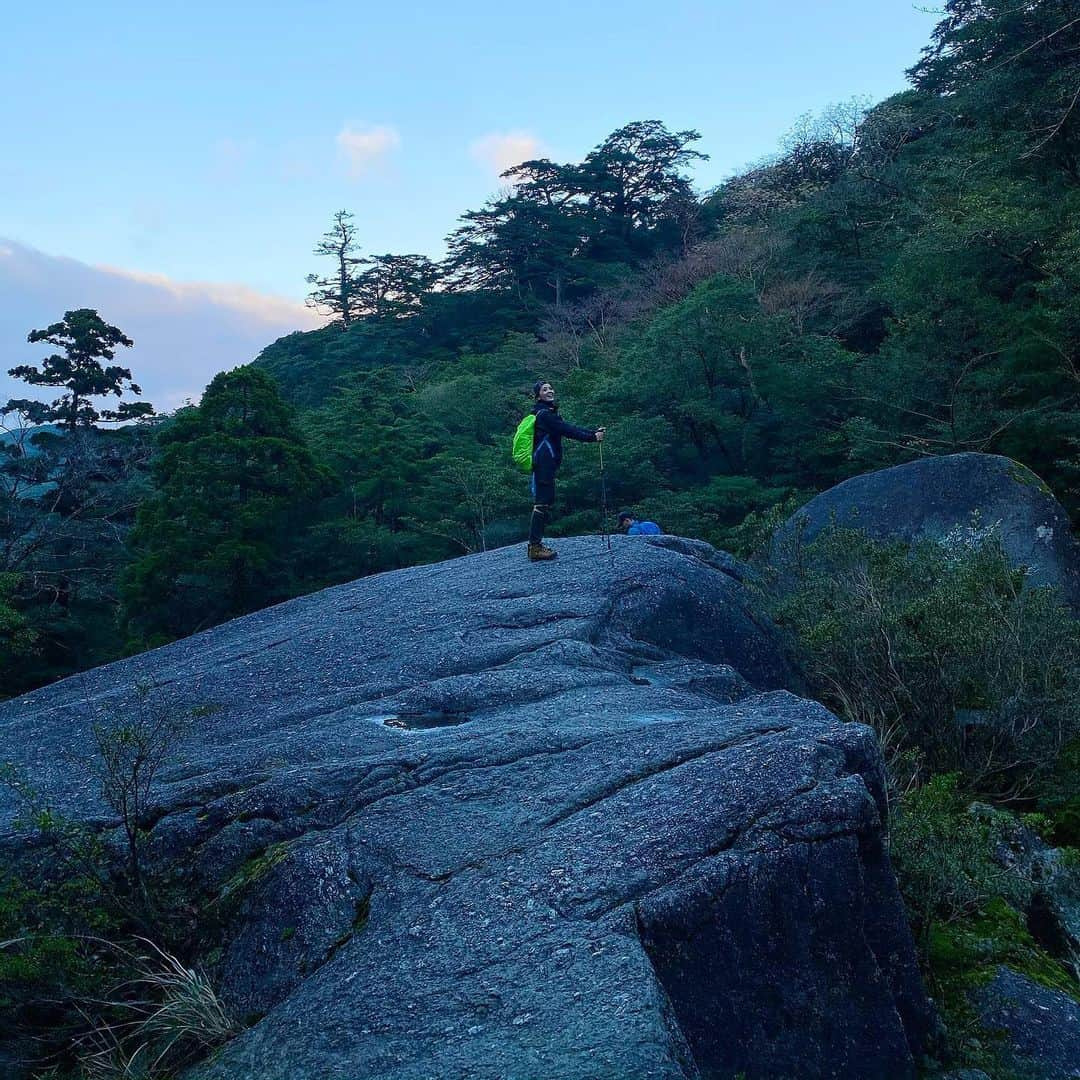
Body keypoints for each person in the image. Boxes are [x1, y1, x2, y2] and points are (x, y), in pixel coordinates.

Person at [527, 381, 604, 561]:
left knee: (544, 501)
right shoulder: (544, 415)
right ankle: (535, 547)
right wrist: (592, 437)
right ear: (538, 396)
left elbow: (567, 428)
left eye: (550, 388)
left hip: (545, 463)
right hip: (543, 463)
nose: (550, 391)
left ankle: (535, 545)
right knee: (542, 502)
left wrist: (593, 433)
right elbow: (567, 430)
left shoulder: (547, 413)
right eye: (544, 389)